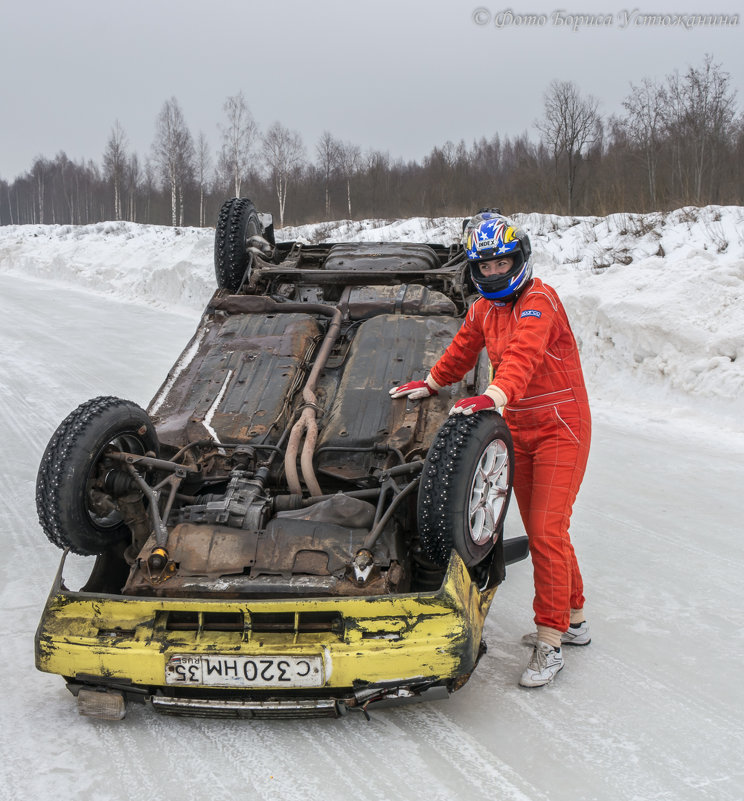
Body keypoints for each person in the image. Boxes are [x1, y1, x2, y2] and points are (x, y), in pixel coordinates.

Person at [389, 212, 591, 688]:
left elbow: (523, 354)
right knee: (550, 529)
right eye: (486, 266)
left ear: (519, 259)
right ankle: (575, 617)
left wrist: (494, 396)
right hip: (517, 426)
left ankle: (551, 638)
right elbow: (463, 347)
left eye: (503, 263)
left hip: (561, 425)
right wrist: (433, 382)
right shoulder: (482, 308)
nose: (495, 273)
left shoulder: (540, 300)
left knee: (545, 529)